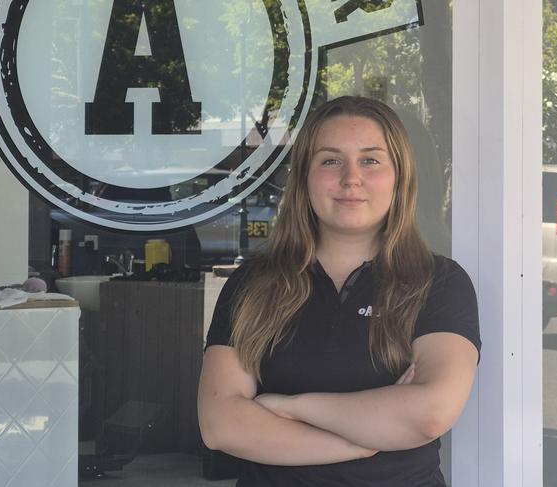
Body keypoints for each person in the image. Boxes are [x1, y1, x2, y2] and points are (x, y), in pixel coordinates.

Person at [197, 96, 481, 486]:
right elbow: (220, 425)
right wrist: (362, 442)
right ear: (304, 178)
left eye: (371, 160)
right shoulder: (252, 283)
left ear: (400, 176)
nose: (351, 178)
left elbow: (430, 412)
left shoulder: (438, 282)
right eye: (330, 160)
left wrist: (289, 407)